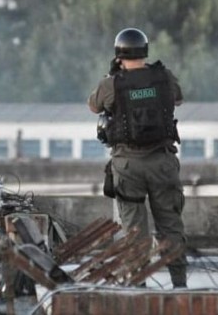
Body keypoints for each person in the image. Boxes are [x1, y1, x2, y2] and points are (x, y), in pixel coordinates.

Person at [88, 27, 187, 289]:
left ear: (119, 54)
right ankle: (179, 283)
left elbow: (94, 105)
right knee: (170, 224)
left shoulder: (112, 84)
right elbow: (178, 98)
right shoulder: (164, 77)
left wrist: (112, 75)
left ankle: (139, 286)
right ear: (145, 51)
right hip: (163, 164)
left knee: (134, 229)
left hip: (128, 166)